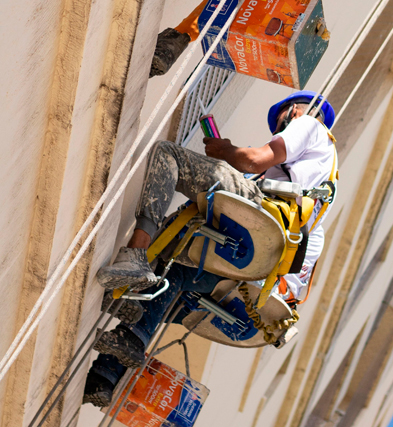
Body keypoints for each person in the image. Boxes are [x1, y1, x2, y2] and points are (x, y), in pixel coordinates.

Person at [82, 91, 337, 407]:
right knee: (175, 274)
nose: (282, 125)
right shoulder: (315, 212)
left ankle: (135, 255)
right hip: (253, 275)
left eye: (285, 114)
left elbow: (253, 159)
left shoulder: (310, 124)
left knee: (168, 154)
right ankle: (107, 373)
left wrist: (227, 151)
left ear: (299, 109)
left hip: (262, 227)